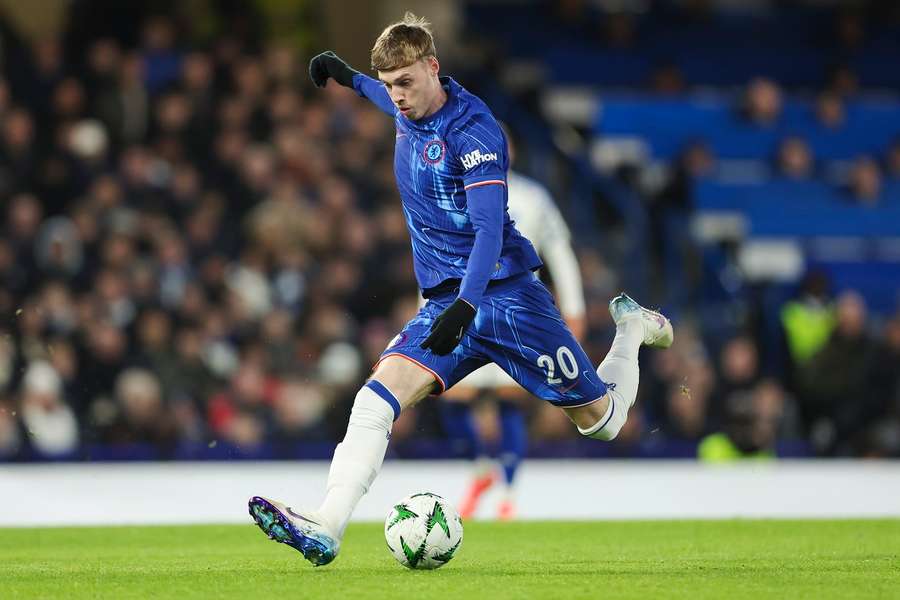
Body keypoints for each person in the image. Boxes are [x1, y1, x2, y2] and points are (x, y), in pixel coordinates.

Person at [248, 12, 673, 567]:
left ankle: (631, 330)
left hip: (506, 300)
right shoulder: (405, 108)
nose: (397, 96)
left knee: (605, 424)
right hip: (449, 304)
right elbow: (380, 95)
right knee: (374, 401)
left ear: (433, 68)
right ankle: (327, 526)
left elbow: (491, 231)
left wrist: (468, 303)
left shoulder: (473, 132)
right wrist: (348, 76)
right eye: (391, 83)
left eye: (406, 82)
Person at [443, 128, 587, 521]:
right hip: (464, 310)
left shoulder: (533, 197)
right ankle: (480, 471)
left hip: (519, 311)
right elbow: (437, 256)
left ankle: (507, 491)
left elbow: (560, 253)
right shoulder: (453, 194)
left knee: (510, 398)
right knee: (450, 396)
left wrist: (574, 309)